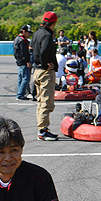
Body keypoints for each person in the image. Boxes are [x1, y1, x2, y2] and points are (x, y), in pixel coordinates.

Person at [31, 11, 59, 141]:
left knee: (40, 101)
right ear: (53, 23)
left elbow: (33, 49)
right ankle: (43, 130)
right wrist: (46, 65)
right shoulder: (47, 35)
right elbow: (43, 51)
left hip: (36, 71)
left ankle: (42, 128)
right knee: (47, 102)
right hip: (45, 71)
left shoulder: (36, 33)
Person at [13, 24, 32, 101]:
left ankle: (19, 93)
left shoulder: (17, 39)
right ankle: (20, 94)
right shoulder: (21, 40)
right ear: (24, 31)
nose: (29, 34)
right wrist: (27, 61)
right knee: (26, 78)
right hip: (23, 62)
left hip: (20, 62)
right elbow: (23, 52)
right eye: (28, 32)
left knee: (20, 79)